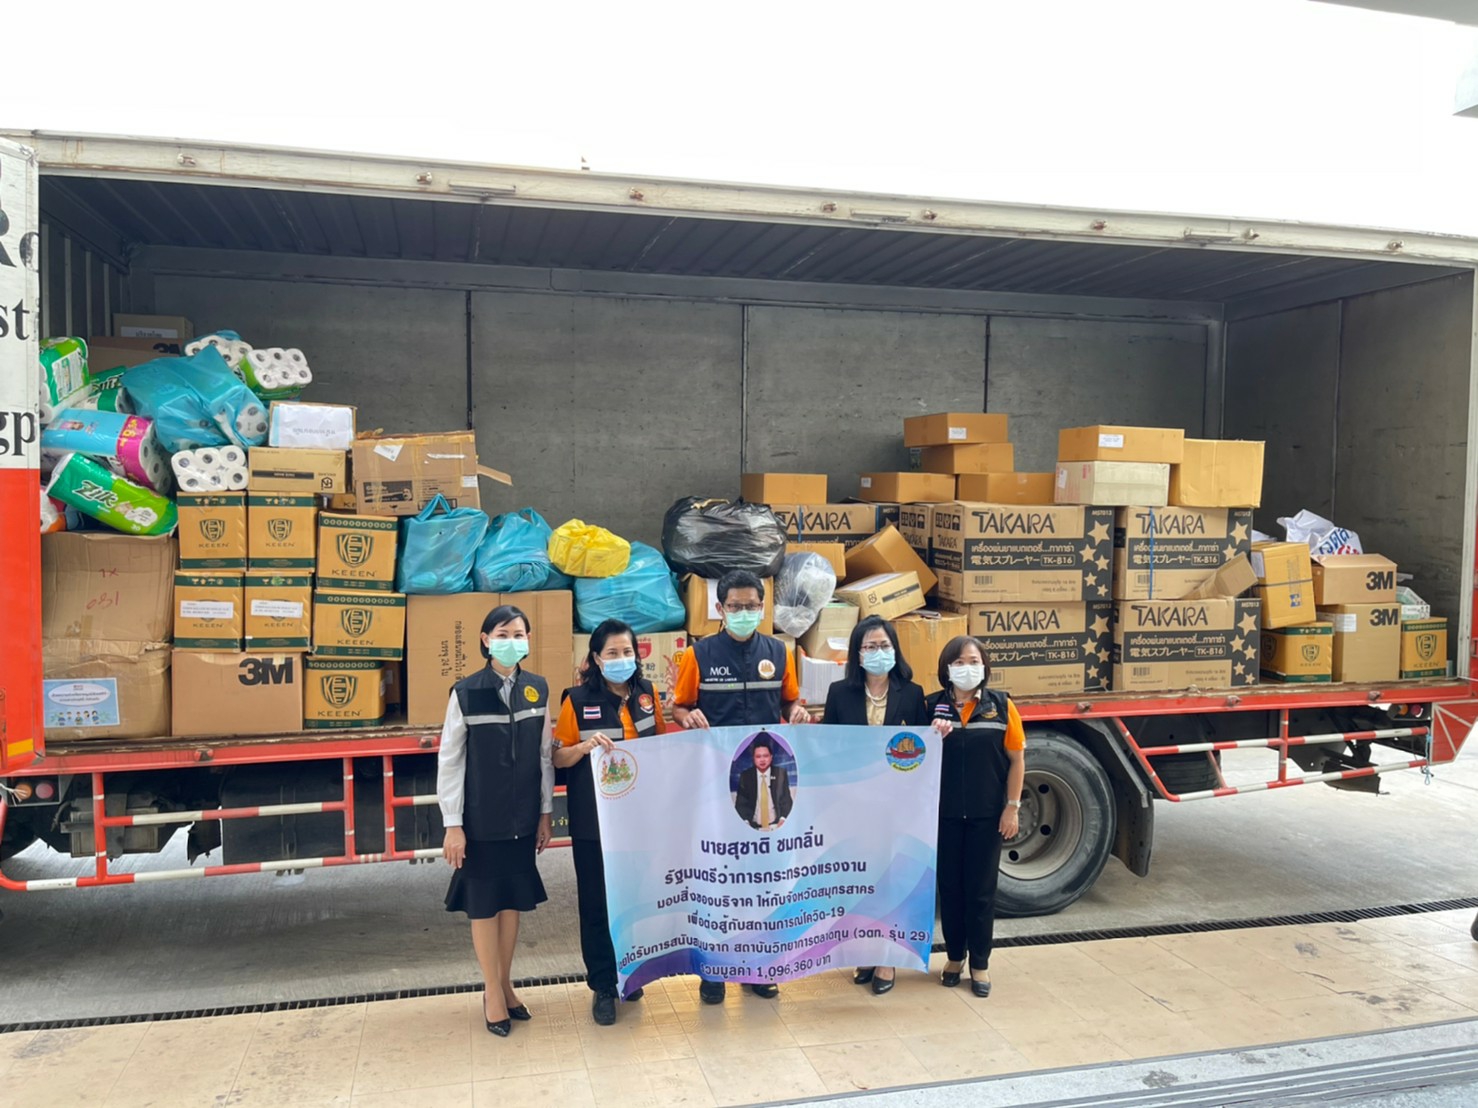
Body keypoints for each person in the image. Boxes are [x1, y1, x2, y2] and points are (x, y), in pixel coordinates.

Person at [671, 568, 810, 1004]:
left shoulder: (779, 652)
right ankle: (713, 971)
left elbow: (790, 699)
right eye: (736, 606)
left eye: (752, 606)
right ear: (720, 608)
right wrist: (687, 717)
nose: (744, 612)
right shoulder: (698, 655)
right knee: (718, 876)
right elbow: (679, 707)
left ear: (763, 607)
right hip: (715, 783)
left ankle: (759, 967)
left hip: (767, 781)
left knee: (762, 877)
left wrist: (797, 711)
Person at [437, 605, 554, 1037]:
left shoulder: (537, 689)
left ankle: (505, 984)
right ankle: (491, 991)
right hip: (480, 820)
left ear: (528, 640)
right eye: (502, 634)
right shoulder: (466, 692)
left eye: (518, 634)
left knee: (511, 901)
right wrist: (453, 824)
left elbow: (544, 756)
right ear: (486, 640)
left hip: (522, 818)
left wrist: (545, 812)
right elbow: (450, 760)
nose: (511, 641)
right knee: (485, 905)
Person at [553, 619, 662, 1027]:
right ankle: (602, 985)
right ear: (597, 659)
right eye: (612, 653)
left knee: (634, 899)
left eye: (627, 652)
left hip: (639, 820)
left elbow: (662, 747)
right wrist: (583, 747)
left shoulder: (648, 695)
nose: (621, 659)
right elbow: (558, 757)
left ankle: (629, 972)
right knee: (597, 903)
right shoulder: (577, 700)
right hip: (594, 822)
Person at [822, 615, 931, 994]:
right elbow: (828, 748)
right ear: (857, 653)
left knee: (893, 881)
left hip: (897, 808)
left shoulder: (912, 694)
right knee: (859, 882)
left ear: (895, 650)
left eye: (884, 645)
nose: (877, 652)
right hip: (854, 807)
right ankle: (865, 952)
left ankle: (888, 959)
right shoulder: (839, 693)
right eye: (869, 646)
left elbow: (922, 752)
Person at [927, 635, 1025, 999]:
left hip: (988, 816)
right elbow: (913, 758)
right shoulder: (931, 707)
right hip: (945, 816)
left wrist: (1011, 807)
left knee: (981, 892)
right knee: (951, 889)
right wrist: (932, 739)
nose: (966, 668)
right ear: (946, 668)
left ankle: (980, 963)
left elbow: (1017, 760)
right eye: (959, 662)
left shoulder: (1001, 706)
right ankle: (954, 957)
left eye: (973, 661)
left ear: (984, 666)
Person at [733, 735, 793, 830]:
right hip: (753, 827)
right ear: (753, 758)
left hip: (776, 826)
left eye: (765, 756)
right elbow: (741, 804)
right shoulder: (746, 776)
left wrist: (783, 819)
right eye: (758, 756)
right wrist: (746, 823)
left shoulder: (780, 773)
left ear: (771, 757)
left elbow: (786, 800)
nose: (762, 760)